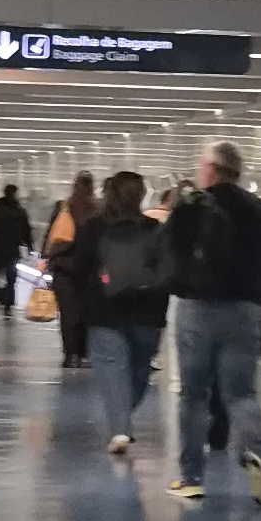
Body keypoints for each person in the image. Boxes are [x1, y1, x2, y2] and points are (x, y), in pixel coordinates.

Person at [162, 140, 261, 506]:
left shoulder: (193, 205)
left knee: (193, 395)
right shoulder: (258, 209)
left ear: (211, 170)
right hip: (245, 310)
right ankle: (252, 453)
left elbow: (168, 247)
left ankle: (191, 477)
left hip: (197, 308)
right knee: (242, 394)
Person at [69, 170, 169, 455]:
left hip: (104, 310)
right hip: (148, 311)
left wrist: (82, 303)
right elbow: (165, 268)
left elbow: (79, 268)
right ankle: (123, 417)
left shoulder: (93, 227)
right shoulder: (154, 229)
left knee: (112, 368)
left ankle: (120, 427)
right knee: (140, 369)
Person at [43, 171, 99, 367]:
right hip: (89, 269)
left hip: (63, 268)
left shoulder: (63, 207)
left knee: (67, 313)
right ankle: (84, 352)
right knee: (86, 311)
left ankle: (70, 354)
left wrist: (47, 257)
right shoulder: (98, 210)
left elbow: (51, 234)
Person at [0, 182, 33, 318]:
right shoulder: (19, 210)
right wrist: (29, 246)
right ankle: (8, 305)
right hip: (12, 248)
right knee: (11, 277)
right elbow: (26, 230)